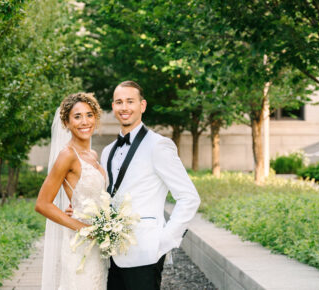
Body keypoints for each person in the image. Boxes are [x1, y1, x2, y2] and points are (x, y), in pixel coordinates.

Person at [101, 81, 201, 290]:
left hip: (146, 252)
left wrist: (164, 241)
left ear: (142, 106)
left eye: (130, 101)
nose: (124, 107)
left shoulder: (159, 145)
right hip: (111, 255)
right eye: (119, 102)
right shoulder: (107, 151)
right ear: (113, 107)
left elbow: (189, 197)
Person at [35, 92, 108, 290]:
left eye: (89, 115)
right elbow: (42, 204)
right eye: (77, 117)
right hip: (80, 244)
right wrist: (82, 227)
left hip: (99, 243)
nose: (85, 121)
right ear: (66, 123)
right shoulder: (67, 155)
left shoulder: (92, 154)